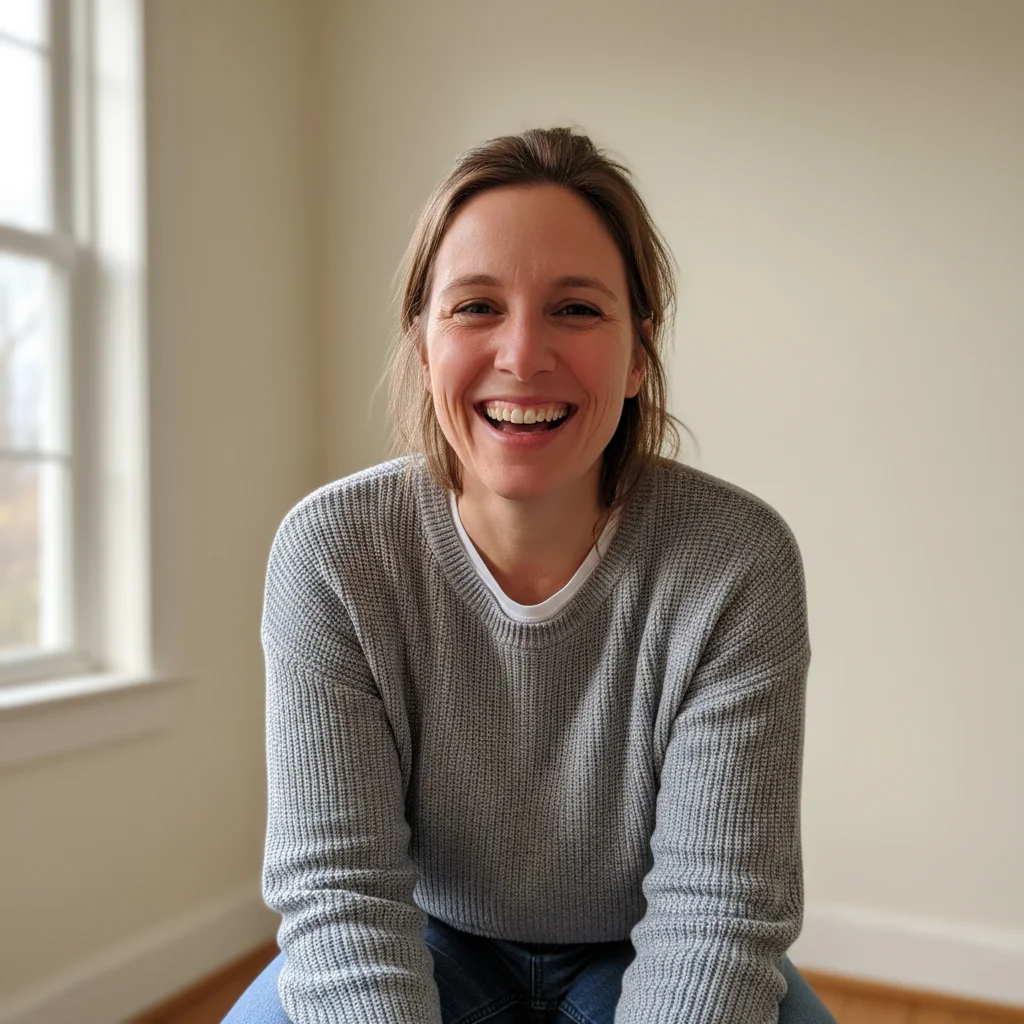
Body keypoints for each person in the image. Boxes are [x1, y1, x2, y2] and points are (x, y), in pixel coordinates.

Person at [224, 127, 837, 1024]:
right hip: (425, 935)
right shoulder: (333, 552)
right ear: (424, 341)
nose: (522, 354)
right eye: (475, 307)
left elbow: (718, 913)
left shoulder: (737, 563)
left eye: (577, 310)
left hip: (644, 942)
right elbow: (342, 894)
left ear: (637, 354)